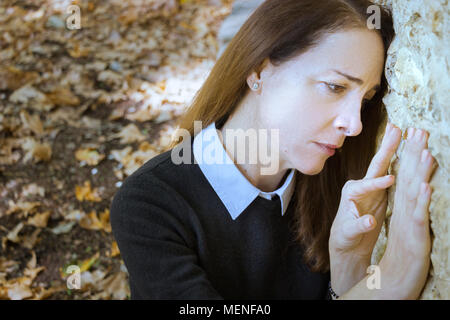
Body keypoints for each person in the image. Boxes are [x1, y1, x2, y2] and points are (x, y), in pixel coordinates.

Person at [110, 0, 438, 299]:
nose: (354, 126)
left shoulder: (338, 189)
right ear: (259, 70)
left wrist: (348, 263)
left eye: (365, 101)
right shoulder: (150, 205)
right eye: (335, 87)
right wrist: (393, 279)